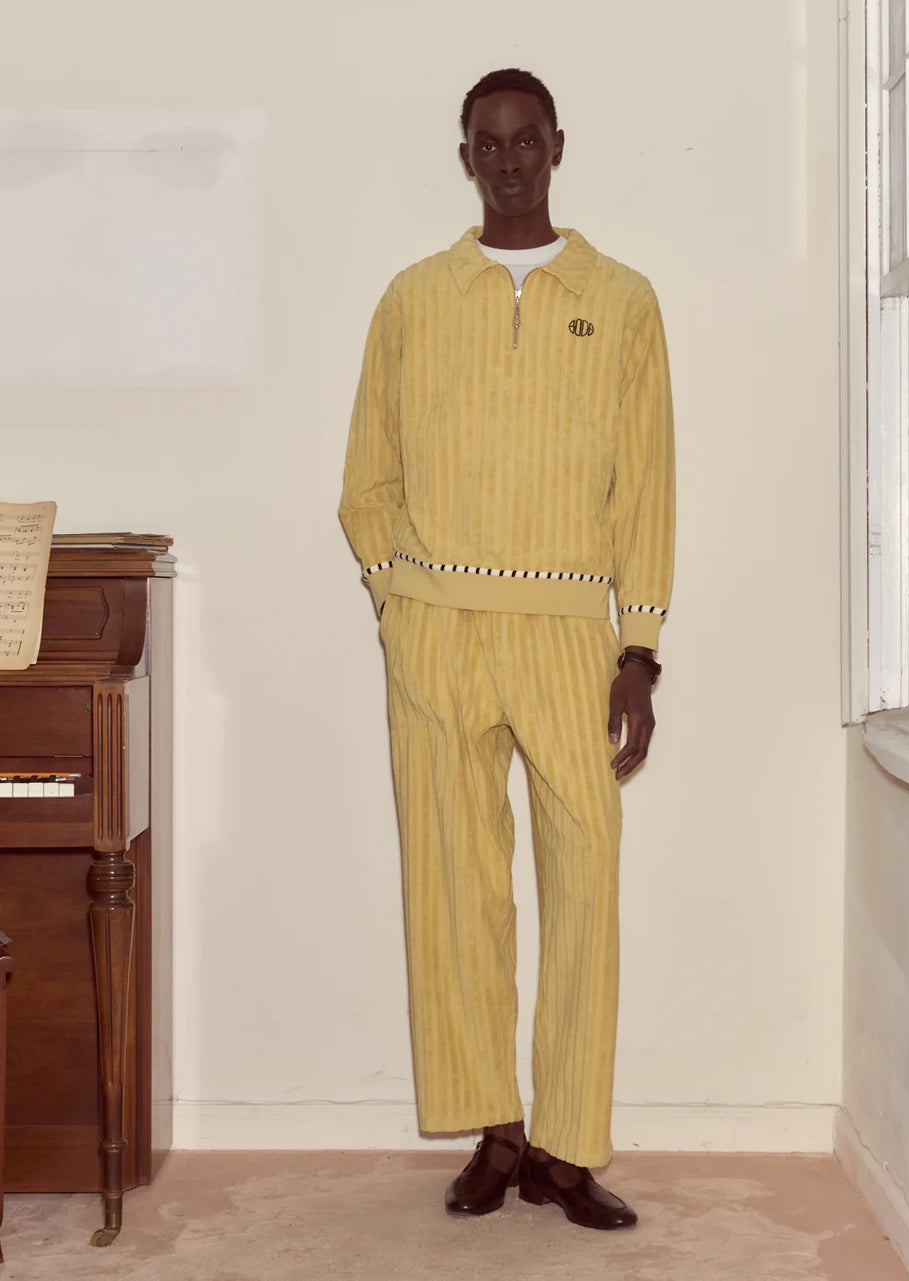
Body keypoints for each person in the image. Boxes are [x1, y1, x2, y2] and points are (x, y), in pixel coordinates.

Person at [339, 67, 674, 1231]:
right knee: (454, 891)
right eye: (490, 142)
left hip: (568, 634)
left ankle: (570, 1148)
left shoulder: (621, 299)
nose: (512, 159)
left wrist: (639, 649)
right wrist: (397, 606)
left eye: (529, 139)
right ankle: (496, 1130)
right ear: (467, 156)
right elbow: (366, 483)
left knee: (584, 882)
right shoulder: (414, 297)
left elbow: (646, 486)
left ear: (559, 146)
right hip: (438, 637)